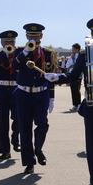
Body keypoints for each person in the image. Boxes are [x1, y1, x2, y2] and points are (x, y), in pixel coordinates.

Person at [44, 17, 93, 185]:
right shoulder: (84, 54)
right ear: (92, 34)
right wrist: (57, 78)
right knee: (91, 143)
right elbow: (73, 76)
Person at [13, 23, 56, 174]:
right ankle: (29, 162)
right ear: (26, 36)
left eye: (36, 35)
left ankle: (38, 149)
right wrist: (25, 52)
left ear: (41, 36)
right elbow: (14, 66)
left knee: (43, 124)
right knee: (25, 129)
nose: (33, 38)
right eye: (30, 35)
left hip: (40, 94)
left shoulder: (48, 53)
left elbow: (51, 76)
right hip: (23, 94)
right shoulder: (20, 52)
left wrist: (51, 97)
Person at [0, 30, 21, 160]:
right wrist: (5, 53)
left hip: (16, 89)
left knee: (19, 117)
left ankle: (15, 137)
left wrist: (13, 54)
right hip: (1, 90)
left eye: (12, 42)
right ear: (2, 42)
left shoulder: (19, 54)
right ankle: (5, 150)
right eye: (7, 42)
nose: (10, 44)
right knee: (2, 122)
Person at [65, 43, 82, 112]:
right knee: (73, 90)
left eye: (73, 49)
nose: (72, 50)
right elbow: (67, 65)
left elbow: (80, 65)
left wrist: (73, 65)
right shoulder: (71, 56)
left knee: (77, 90)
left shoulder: (81, 56)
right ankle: (75, 105)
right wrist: (71, 65)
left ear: (77, 49)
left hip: (78, 75)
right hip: (71, 75)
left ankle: (79, 105)